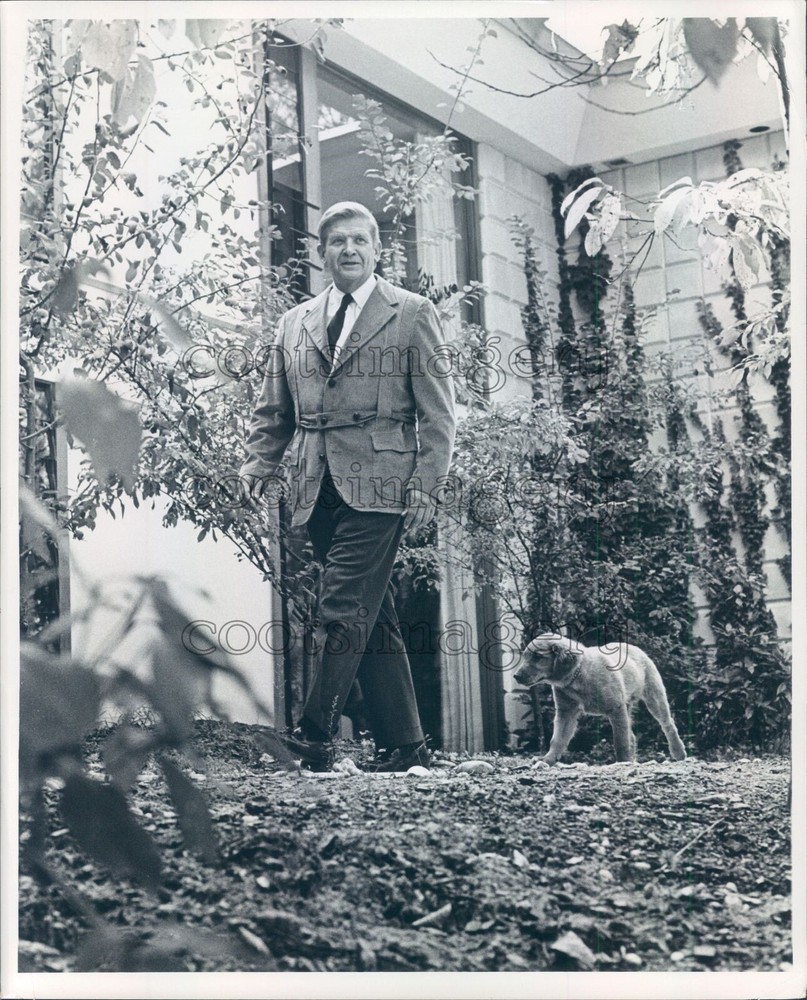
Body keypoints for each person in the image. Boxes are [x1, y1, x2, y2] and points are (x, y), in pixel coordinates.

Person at [240, 201, 456, 771]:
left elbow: (438, 415)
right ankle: (406, 745)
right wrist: (258, 465)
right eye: (337, 242)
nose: (349, 251)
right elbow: (274, 412)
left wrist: (427, 485)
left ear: (377, 250)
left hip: (384, 481)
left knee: (340, 605)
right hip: (317, 483)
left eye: (360, 241)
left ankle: (313, 735)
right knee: (370, 611)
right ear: (320, 253)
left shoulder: (411, 314)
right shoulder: (295, 322)